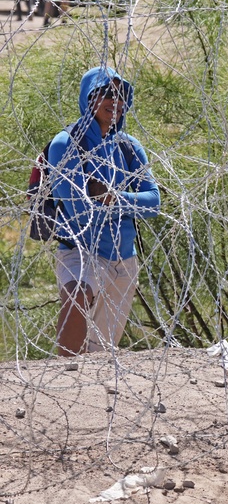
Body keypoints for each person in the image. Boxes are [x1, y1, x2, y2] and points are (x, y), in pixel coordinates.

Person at [47, 66, 161, 356]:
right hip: (82, 252)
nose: (116, 101)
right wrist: (125, 205)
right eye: (107, 93)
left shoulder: (128, 147)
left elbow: (154, 203)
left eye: (122, 94)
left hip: (124, 261)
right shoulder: (66, 144)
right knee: (78, 296)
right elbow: (78, 211)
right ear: (88, 98)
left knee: (99, 352)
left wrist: (113, 198)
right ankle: (60, 384)